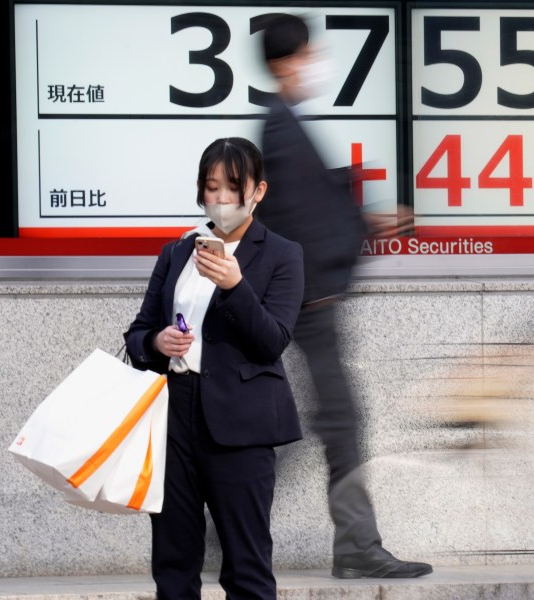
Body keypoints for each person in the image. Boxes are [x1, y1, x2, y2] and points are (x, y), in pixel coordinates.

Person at [255, 13, 432, 579]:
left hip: (310, 302)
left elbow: (313, 210)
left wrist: (369, 221)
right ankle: (355, 546)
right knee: (341, 421)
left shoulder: (285, 125)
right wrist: (359, 232)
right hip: (312, 305)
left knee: (321, 425)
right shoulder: (281, 130)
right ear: (288, 62)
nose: (316, 64)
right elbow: (303, 223)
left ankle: (227, 522)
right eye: (310, 54)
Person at [124, 137, 304, 599]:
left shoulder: (282, 254)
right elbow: (138, 332)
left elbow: (272, 342)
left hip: (241, 422)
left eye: (232, 188)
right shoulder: (178, 251)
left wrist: (235, 286)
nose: (221, 200)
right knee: (174, 562)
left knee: (246, 566)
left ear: (258, 191)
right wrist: (158, 342)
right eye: (211, 188)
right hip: (174, 418)